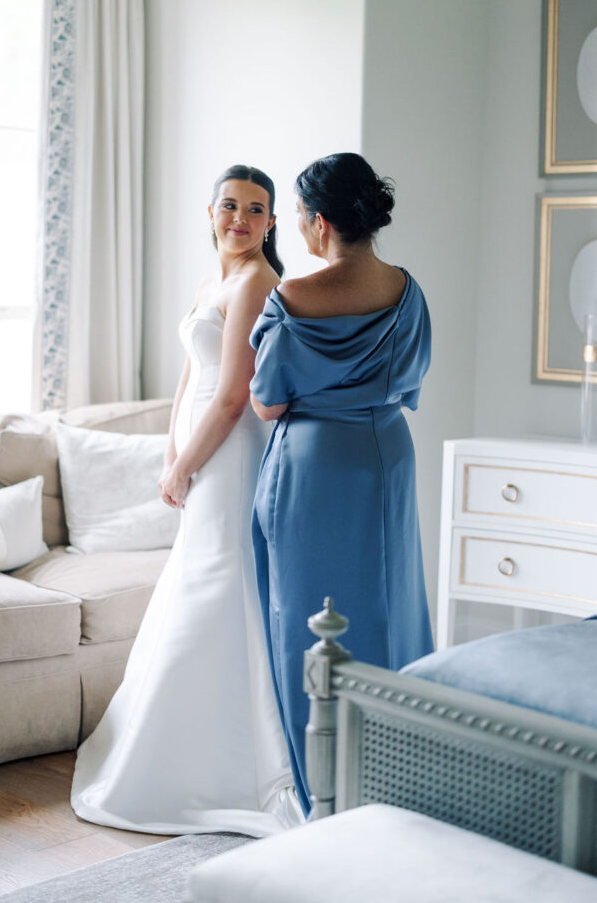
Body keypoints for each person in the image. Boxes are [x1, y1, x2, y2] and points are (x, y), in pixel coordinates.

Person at [71, 165, 303, 836]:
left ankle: (221, 766)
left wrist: (188, 468)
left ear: (270, 224)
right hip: (198, 452)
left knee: (215, 583)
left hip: (229, 459)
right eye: (229, 206)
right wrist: (168, 454)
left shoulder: (258, 281)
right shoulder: (214, 280)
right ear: (209, 212)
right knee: (200, 585)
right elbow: (189, 375)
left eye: (255, 210)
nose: (240, 219)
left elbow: (233, 395)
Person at [249, 152, 434, 816]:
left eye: (299, 217)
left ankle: (322, 789)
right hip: (385, 452)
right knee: (391, 603)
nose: (299, 229)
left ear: (320, 223)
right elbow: (410, 381)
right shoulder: (406, 290)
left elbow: (267, 401)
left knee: (308, 617)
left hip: (315, 464)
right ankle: (402, 774)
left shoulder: (292, 299)